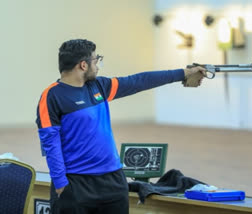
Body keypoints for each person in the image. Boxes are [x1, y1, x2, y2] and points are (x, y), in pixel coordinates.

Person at [35, 39, 205, 214]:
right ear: (83, 65)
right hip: (77, 184)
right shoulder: (51, 96)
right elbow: (50, 143)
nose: (98, 65)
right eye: (96, 60)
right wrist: (61, 184)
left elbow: (139, 81)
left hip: (113, 182)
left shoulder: (99, 86)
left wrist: (184, 73)